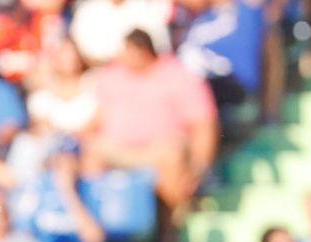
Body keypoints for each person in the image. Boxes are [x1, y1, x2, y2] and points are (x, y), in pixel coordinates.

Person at [90, 29, 218, 229]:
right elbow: (95, 120)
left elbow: (204, 123)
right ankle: (102, 233)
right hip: (121, 149)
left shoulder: (177, 73)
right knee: (92, 153)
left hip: (161, 150)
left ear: (143, 51)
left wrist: (199, 166)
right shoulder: (113, 75)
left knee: (172, 156)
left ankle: (170, 229)